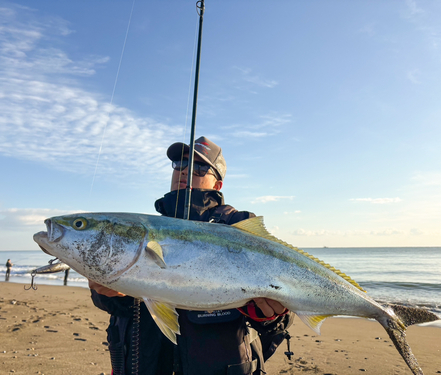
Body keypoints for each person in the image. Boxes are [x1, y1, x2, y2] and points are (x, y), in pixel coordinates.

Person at [89, 136, 294, 375]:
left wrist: (269, 314)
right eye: (180, 163)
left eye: (199, 167)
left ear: (217, 185)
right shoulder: (144, 230)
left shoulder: (238, 227)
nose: (185, 171)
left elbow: (283, 310)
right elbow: (119, 306)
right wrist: (112, 293)